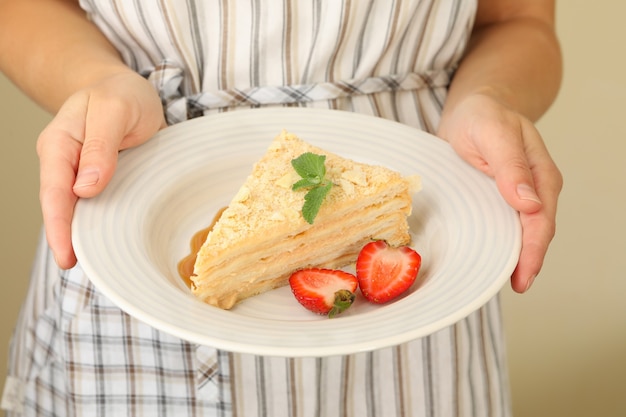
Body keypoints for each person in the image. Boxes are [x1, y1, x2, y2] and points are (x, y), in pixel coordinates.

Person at [0, 0, 562, 415]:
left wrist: (490, 99)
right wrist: (99, 80)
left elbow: (517, 22)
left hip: (431, 228)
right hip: (134, 196)